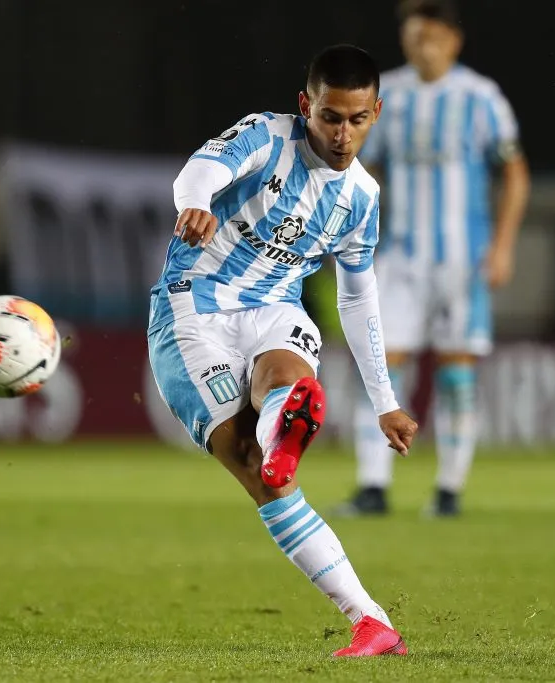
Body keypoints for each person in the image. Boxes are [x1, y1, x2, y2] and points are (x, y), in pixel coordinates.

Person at [147, 44, 418, 658]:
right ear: (306, 106)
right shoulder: (268, 137)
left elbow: (358, 298)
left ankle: (284, 430)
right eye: (330, 117)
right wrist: (194, 204)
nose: (342, 135)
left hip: (276, 309)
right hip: (194, 308)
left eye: (357, 120)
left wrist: (385, 401)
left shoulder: (362, 197)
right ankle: (368, 615)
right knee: (250, 460)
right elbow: (199, 170)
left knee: (286, 378)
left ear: (376, 112)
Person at [334, 0, 531, 518]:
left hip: (462, 260)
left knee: (456, 371)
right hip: (399, 256)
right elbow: (364, 167)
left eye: (434, 38)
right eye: (415, 37)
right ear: (405, 40)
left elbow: (515, 174)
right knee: (381, 365)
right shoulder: (389, 96)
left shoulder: (481, 97)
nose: (425, 47)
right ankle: (373, 485)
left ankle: (448, 490)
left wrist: (503, 246)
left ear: (454, 41)